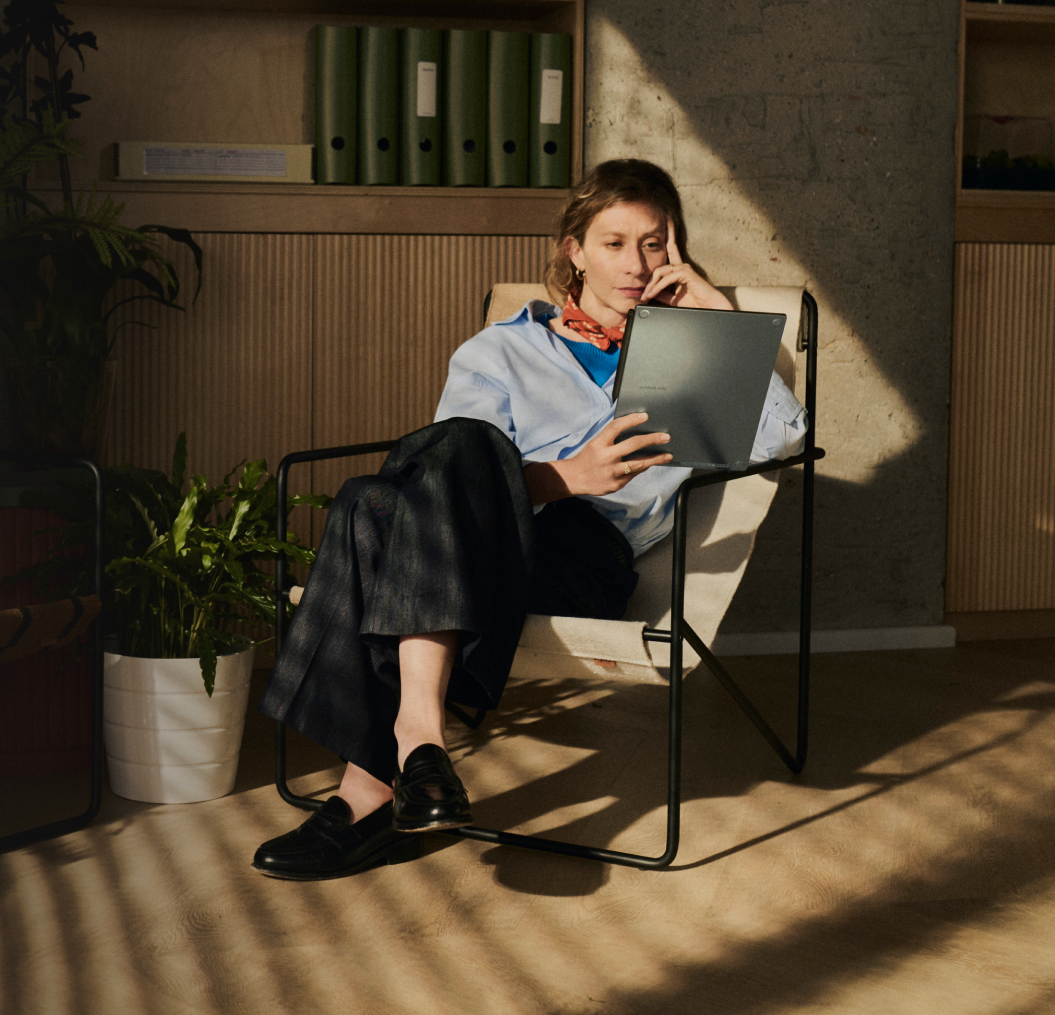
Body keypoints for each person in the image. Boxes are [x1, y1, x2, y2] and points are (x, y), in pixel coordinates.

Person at [252, 158, 809, 881]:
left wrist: (722, 325)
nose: (636, 264)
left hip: (582, 559)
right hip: (477, 546)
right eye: (614, 243)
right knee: (448, 455)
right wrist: (565, 475)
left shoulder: (694, 361)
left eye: (654, 242)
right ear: (573, 250)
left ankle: (375, 781)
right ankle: (415, 753)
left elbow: (785, 439)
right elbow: (444, 481)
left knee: (367, 502)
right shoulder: (503, 349)